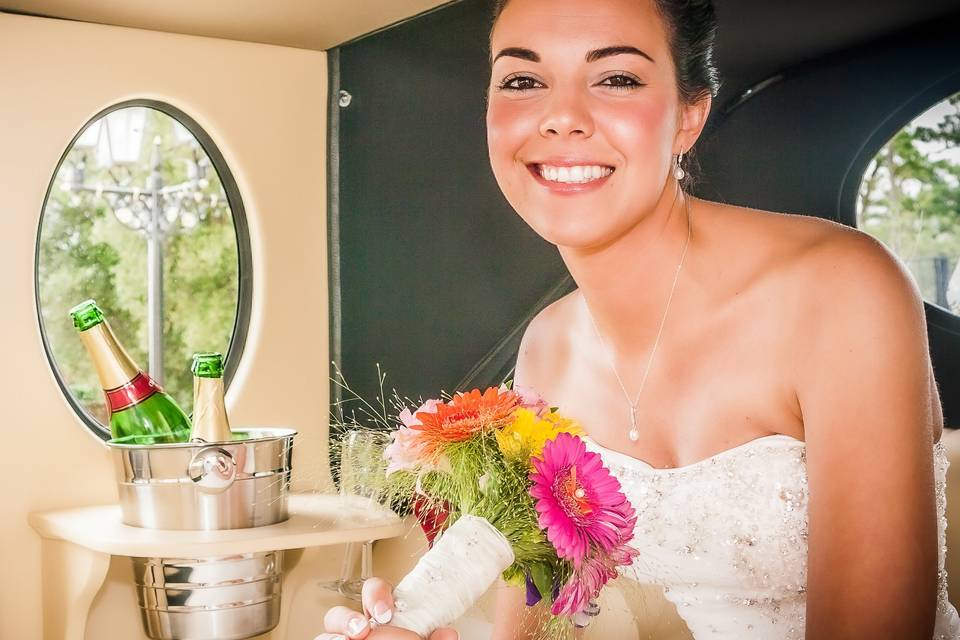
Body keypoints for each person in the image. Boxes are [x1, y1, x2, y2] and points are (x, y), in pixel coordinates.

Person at [320, 0, 960, 638]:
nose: (561, 117)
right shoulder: (547, 351)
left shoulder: (838, 289)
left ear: (689, 116)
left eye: (616, 79)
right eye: (523, 81)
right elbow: (538, 627)